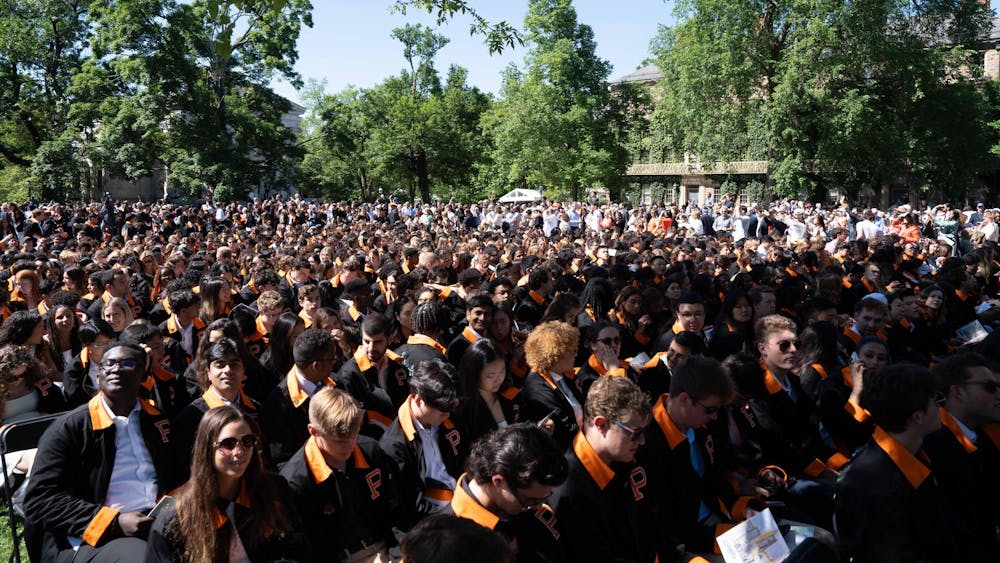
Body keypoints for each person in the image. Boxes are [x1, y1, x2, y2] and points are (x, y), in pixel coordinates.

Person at [25, 343, 177, 562]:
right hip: (89, 536)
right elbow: (40, 500)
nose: (115, 369)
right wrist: (114, 522)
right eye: (109, 364)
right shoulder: (70, 427)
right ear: (98, 375)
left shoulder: (156, 420)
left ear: (144, 373)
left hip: (154, 522)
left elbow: (178, 475)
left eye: (127, 363)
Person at [145, 406, 307, 562]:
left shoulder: (274, 490)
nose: (239, 452)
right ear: (207, 448)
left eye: (247, 441)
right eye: (228, 444)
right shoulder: (175, 518)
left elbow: (297, 551)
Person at [834, 363, 955, 562]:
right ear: (917, 416)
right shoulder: (871, 485)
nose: (940, 408)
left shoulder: (916, 451)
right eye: (936, 402)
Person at [280, 387, 401, 561]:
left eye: (355, 435)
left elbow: (394, 509)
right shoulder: (296, 481)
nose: (351, 445)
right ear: (313, 431)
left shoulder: (370, 450)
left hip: (384, 544)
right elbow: (304, 548)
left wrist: (398, 553)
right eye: (340, 441)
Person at [548, 376, 659, 563]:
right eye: (636, 433)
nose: (642, 441)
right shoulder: (568, 492)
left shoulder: (624, 455)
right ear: (601, 424)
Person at [445, 423, 568, 562]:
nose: (535, 507)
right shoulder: (451, 542)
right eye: (529, 500)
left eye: (541, 500)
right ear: (498, 481)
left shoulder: (523, 508)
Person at [924, 353, 1000, 560]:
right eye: (990, 387)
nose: (998, 394)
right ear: (958, 392)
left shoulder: (979, 434)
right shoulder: (932, 446)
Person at [379, 358, 465, 529]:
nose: (447, 415)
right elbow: (411, 507)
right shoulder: (395, 445)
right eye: (442, 410)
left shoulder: (446, 419)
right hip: (433, 523)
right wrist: (455, 510)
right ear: (418, 400)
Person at [173, 338, 259, 481]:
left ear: (244, 371)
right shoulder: (192, 416)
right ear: (208, 373)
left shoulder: (256, 409)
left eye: (234, 365)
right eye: (220, 365)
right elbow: (184, 470)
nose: (227, 370)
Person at [260, 327, 339, 465]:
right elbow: (282, 461)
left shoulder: (335, 383)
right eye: (332, 359)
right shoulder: (277, 406)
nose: (335, 363)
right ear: (316, 366)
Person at [337, 313, 410, 438]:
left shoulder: (399, 369)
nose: (371, 348)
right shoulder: (349, 374)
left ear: (389, 339)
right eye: (366, 341)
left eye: (377, 342)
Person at [519, 321, 583, 450]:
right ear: (557, 354)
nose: (576, 354)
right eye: (573, 350)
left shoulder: (563, 376)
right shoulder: (536, 387)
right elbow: (564, 429)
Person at [454, 339, 522, 444]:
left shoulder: (510, 394)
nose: (499, 379)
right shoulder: (463, 407)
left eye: (502, 371)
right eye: (491, 376)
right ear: (474, 374)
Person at [447, 294, 495, 366]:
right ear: (468, 314)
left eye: (487, 314)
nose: (482, 318)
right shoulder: (458, 346)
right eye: (478, 313)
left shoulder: (491, 340)